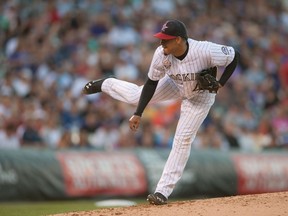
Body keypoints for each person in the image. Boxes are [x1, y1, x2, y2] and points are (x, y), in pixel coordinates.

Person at [82, 19, 239, 205]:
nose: (161, 43)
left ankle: (162, 192)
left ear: (179, 40)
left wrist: (221, 83)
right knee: (136, 96)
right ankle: (106, 83)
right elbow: (150, 84)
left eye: (166, 39)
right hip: (175, 84)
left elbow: (234, 56)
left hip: (200, 96)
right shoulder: (161, 54)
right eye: (161, 39)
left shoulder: (205, 50)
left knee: (183, 139)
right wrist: (138, 112)